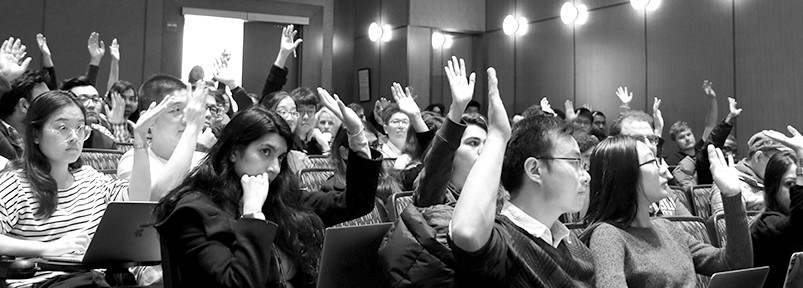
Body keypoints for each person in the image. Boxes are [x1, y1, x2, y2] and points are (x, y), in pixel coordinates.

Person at [153, 102, 381, 288]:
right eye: (265, 152)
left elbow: (355, 204)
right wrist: (252, 214)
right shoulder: (194, 211)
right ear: (234, 151)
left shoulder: (279, 197)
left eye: (280, 157)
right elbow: (238, 283)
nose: (274, 167)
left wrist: (357, 136)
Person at [449, 68, 595, 287]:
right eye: (576, 163)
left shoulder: (575, 247)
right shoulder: (502, 241)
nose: (587, 176)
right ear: (535, 170)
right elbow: (467, 232)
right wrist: (498, 136)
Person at [0, 90, 153, 287]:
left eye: (80, 128)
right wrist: (46, 248)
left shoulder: (90, 178)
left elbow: (138, 198)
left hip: (94, 278)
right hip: (43, 282)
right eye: (63, 128)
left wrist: (140, 140)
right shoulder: (16, 183)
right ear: (35, 134)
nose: (74, 137)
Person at [583, 137, 752, 287]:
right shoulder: (608, 235)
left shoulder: (667, 227)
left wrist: (732, 195)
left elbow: (734, 265)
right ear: (625, 174)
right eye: (652, 162)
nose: (665, 170)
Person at [117, 75, 207, 200]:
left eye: (190, 110)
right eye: (176, 110)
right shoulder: (134, 159)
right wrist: (192, 130)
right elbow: (153, 202)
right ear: (149, 119)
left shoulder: (203, 159)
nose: (187, 119)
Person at [752, 126, 803, 288]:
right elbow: (799, 223)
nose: (796, 191)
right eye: (790, 185)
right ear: (773, 188)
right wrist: (801, 157)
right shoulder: (766, 224)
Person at [709, 132, 790, 216]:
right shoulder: (728, 181)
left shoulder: (779, 182)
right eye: (778, 160)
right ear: (758, 157)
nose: (783, 166)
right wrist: (732, 196)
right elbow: (722, 225)